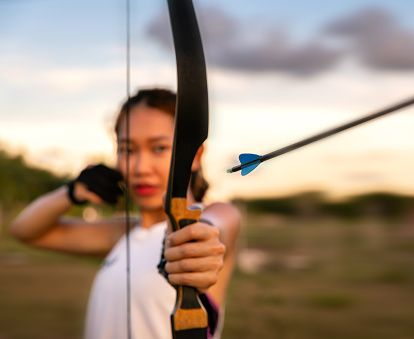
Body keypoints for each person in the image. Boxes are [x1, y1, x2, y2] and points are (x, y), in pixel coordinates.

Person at [10, 88, 241, 339]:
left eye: (160, 148)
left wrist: (200, 239)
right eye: (128, 150)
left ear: (195, 155)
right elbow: (24, 231)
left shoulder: (215, 215)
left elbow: (216, 227)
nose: (140, 168)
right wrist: (72, 193)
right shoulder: (124, 233)